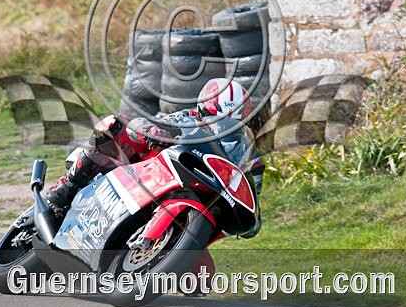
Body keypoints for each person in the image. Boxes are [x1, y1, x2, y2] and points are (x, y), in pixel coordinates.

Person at [45, 78, 265, 231]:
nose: (221, 127)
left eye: (231, 124)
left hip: (200, 196)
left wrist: (251, 219)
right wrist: (153, 131)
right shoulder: (186, 118)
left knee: (201, 280)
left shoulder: (249, 155)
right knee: (116, 124)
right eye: (215, 118)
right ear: (203, 109)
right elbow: (146, 123)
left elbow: (252, 197)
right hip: (148, 172)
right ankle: (68, 184)